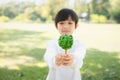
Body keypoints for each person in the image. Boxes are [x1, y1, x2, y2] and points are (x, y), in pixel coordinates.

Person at [44, 8, 86, 80]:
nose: (65, 26)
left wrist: (73, 60)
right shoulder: (51, 44)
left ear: (76, 26)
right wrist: (55, 61)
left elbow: (79, 59)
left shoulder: (80, 44)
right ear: (56, 26)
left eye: (70, 23)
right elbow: (48, 57)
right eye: (61, 23)